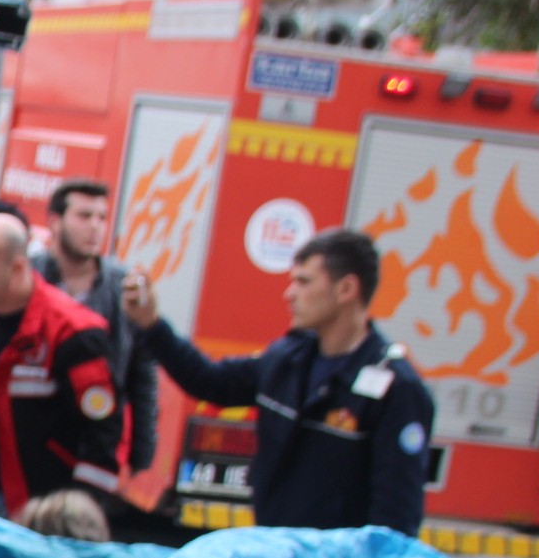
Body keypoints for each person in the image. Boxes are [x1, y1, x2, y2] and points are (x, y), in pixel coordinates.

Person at [124, 226, 435, 534]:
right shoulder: (288, 359)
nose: (289, 294)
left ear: (346, 290)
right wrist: (151, 324)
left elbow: (395, 522)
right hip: (277, 555)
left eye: (303, 281)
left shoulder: (396, 389)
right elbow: (211, 382)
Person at [0, 214, 124, 519]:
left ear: (16, 268)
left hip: (41, 510)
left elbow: (103, 434)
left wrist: (78, 513)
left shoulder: (72, 334)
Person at [33, 180, 159, 480]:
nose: (95, 227)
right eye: (84, 216)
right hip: (34, 439)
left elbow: (143, 375)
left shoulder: (121, 286)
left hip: (96, 440)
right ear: (55, 222)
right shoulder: (29, 275)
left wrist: (142, 453)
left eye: (102, 218)